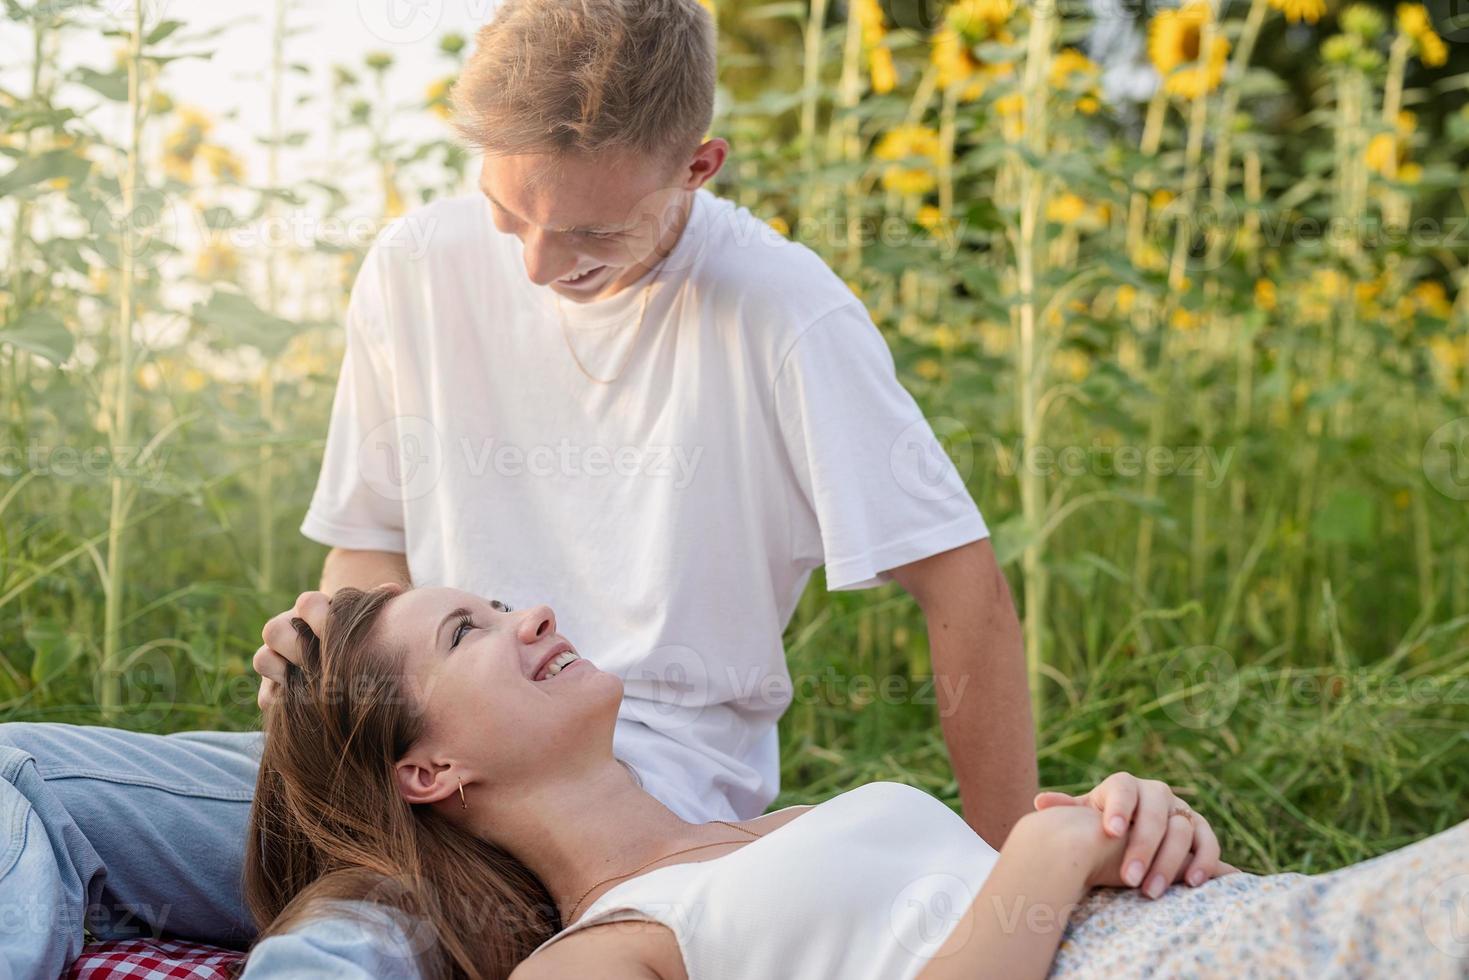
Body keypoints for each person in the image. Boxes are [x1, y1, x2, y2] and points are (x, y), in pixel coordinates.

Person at [0, 0, 1177, 974]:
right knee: (24, 777)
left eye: (590, 233)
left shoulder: (781, 314)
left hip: (615, 792)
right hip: (421, 744)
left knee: (353, 932)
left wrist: (998, 880)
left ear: (697, 168)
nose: (536, 264)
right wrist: (330, 667)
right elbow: (369, 549)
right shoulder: (416, 265)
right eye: (510, 211)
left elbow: (959, 587)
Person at [244, 584, 1469, 980]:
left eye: (500, 599)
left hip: (1245, 920)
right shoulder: (589, 956)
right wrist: (1042, 866)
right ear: (427, 768)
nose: (530, 616)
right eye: (470, 631)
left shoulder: (757, 829)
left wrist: (1128, 820)